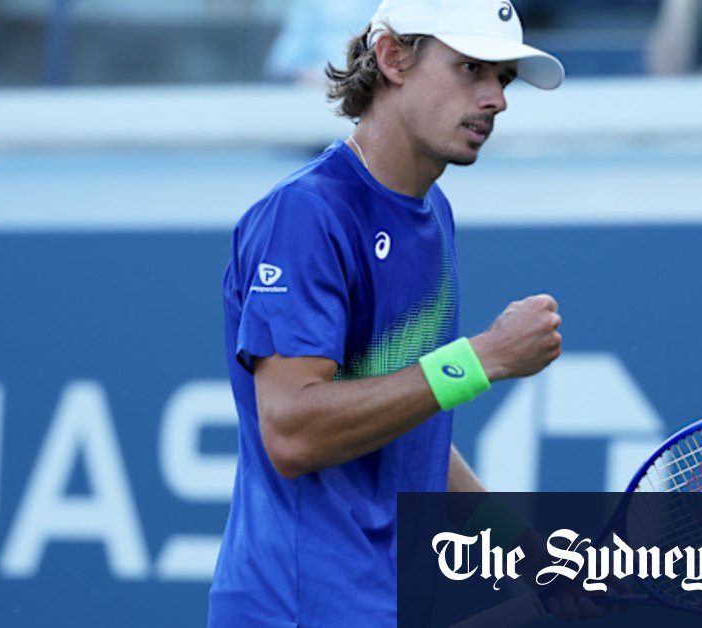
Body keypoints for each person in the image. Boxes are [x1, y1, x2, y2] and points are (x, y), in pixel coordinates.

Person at [208, 0, 569, 625]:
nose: (497, 100)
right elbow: (293, 431)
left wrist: (531, 555)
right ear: (394, 58)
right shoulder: (306, 215)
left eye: (502, 79)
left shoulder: (434, 216)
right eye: (472, 70)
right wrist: (482, 358)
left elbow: (407, 424)